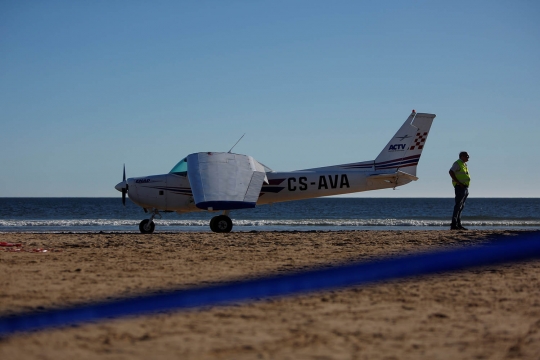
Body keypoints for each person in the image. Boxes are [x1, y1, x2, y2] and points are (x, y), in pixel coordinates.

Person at [449, 151, 470, 230]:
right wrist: (458, 182)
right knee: (458, 206)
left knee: (461, 206)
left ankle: (458, 224)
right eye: (467, 156)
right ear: (462, 156)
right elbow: (451, 172)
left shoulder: (464, 164)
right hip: (460, 187)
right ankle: (454, 224)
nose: (468, 158)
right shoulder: (457, 163)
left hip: (465, 187)